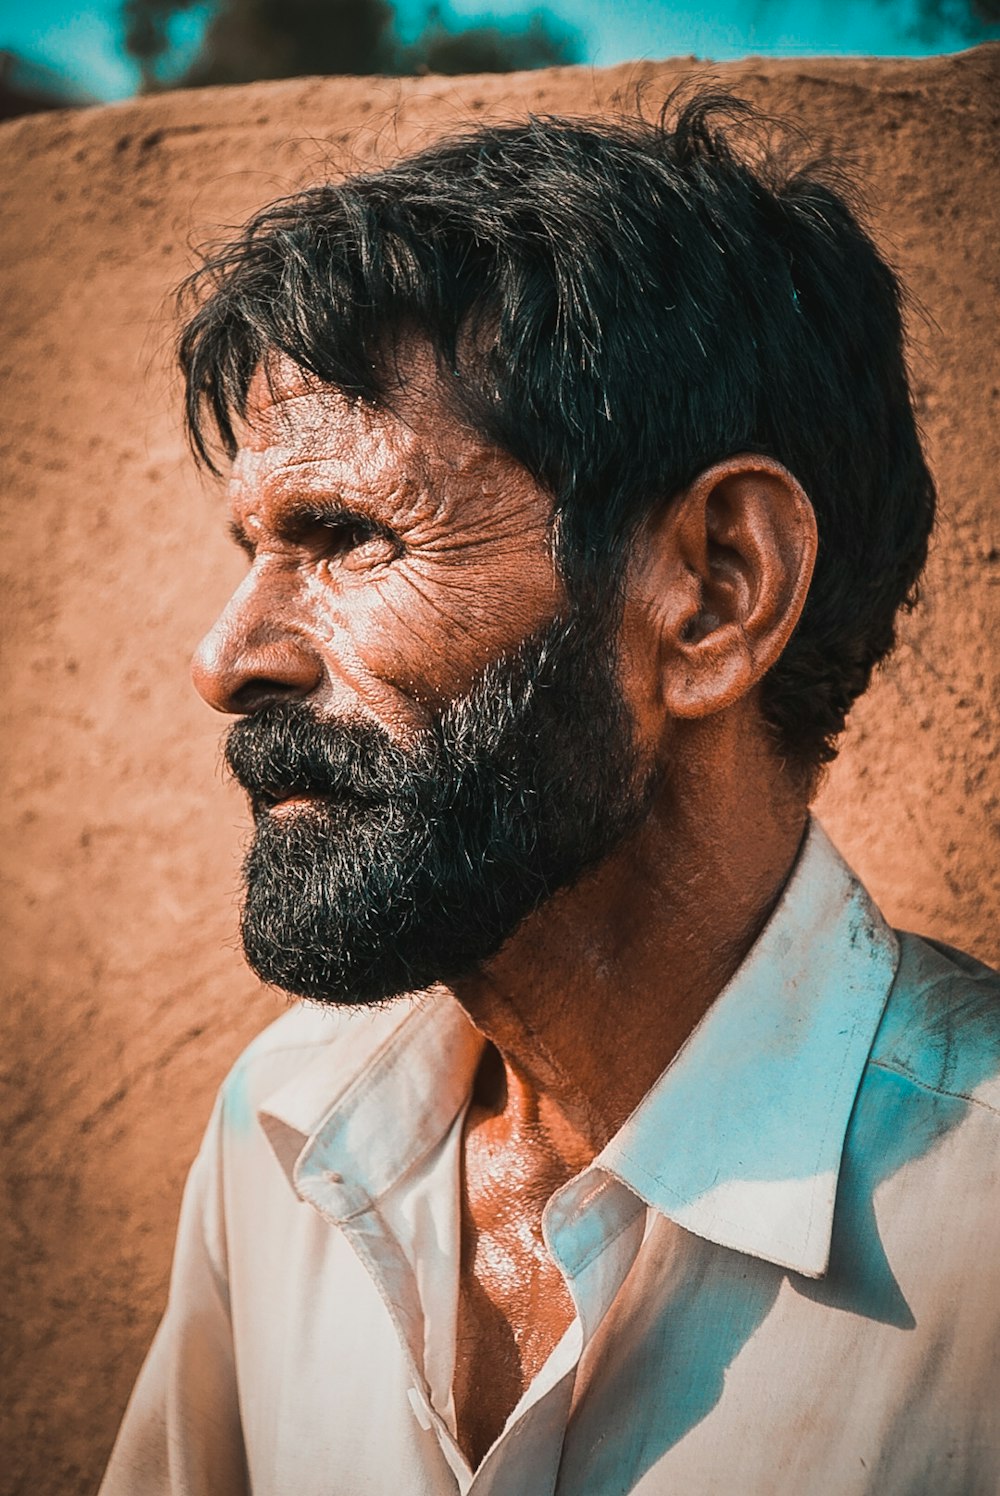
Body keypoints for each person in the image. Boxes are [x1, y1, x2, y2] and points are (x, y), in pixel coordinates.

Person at [99, 90, 999, 1495]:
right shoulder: (282, 1130)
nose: (227, 661)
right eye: (252, 546)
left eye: (341, 537)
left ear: (713, 591)